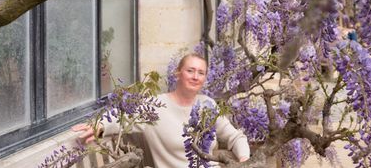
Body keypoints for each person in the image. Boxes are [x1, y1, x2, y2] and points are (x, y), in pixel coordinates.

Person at [72, 53, 250, 167]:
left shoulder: (208, 105)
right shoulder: (155, 106)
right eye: (190, 70)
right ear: (178, 73)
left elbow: (235, 137)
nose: (196, 76)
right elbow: (123, 118)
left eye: (201, 73)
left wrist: (244, 160)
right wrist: (100, 126)